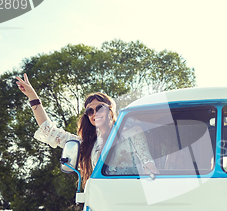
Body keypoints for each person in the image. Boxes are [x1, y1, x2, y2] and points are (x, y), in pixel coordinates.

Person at [16, 73, 158, 184]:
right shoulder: (85, 144)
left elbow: (148, 163)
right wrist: (32, 96)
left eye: (100, 108)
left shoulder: (132, 133)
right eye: (90, 111)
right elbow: (49, 130)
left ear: (110, 111)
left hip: (131, 195)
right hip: (101, 202)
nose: (95, 114)